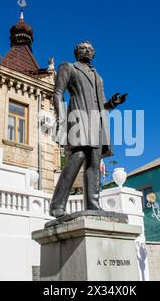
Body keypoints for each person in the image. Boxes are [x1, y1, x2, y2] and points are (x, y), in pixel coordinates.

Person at [50, 41, 127, 218]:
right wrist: (62, 117)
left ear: (94, 54)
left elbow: (101, 104)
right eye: (83, 48)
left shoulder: (98, 77)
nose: (87, 50)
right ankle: (57, 205)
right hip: (78, 117)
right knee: (78, 156)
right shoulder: (68, 67)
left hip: (97, 122)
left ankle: (93, 204)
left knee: (94, 161)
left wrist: (112, 103)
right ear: (76, 52)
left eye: (90, 49)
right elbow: (58, 92)